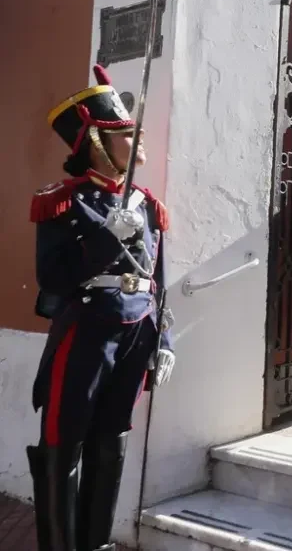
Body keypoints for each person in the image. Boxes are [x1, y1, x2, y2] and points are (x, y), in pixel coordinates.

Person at [27, 65, 176, 551]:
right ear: (95, 142)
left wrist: (163, 340)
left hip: (137, 331)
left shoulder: (148, 204)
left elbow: (160, 279)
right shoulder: (65, 202)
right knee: (65, 438)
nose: (139, 142)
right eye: (126, 135)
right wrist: (105, 234)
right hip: (88, 329)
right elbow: (53, 276)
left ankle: (95, 543)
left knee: (112, 440)